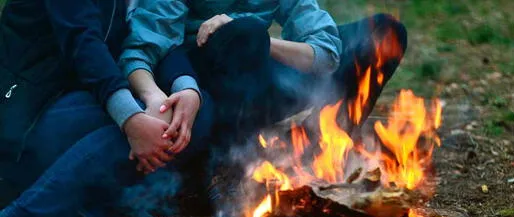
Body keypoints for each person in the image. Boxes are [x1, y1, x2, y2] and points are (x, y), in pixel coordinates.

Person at [0, 0, 215, 217]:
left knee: (194, 112)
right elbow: (83, 42)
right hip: (32, 110)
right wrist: (132, 119)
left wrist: (184, 88)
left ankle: (96, 215)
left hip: (89, 100)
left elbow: (153, 36)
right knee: (145, 121)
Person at [120, 0, 408, 142]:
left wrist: (266, 42)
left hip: (260, 79)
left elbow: (327, 54)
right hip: (205, 92)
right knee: (246, 33)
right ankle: (226, 168)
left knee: (386, 33)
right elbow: (139, 52)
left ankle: (314, 147)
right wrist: (152, 98)